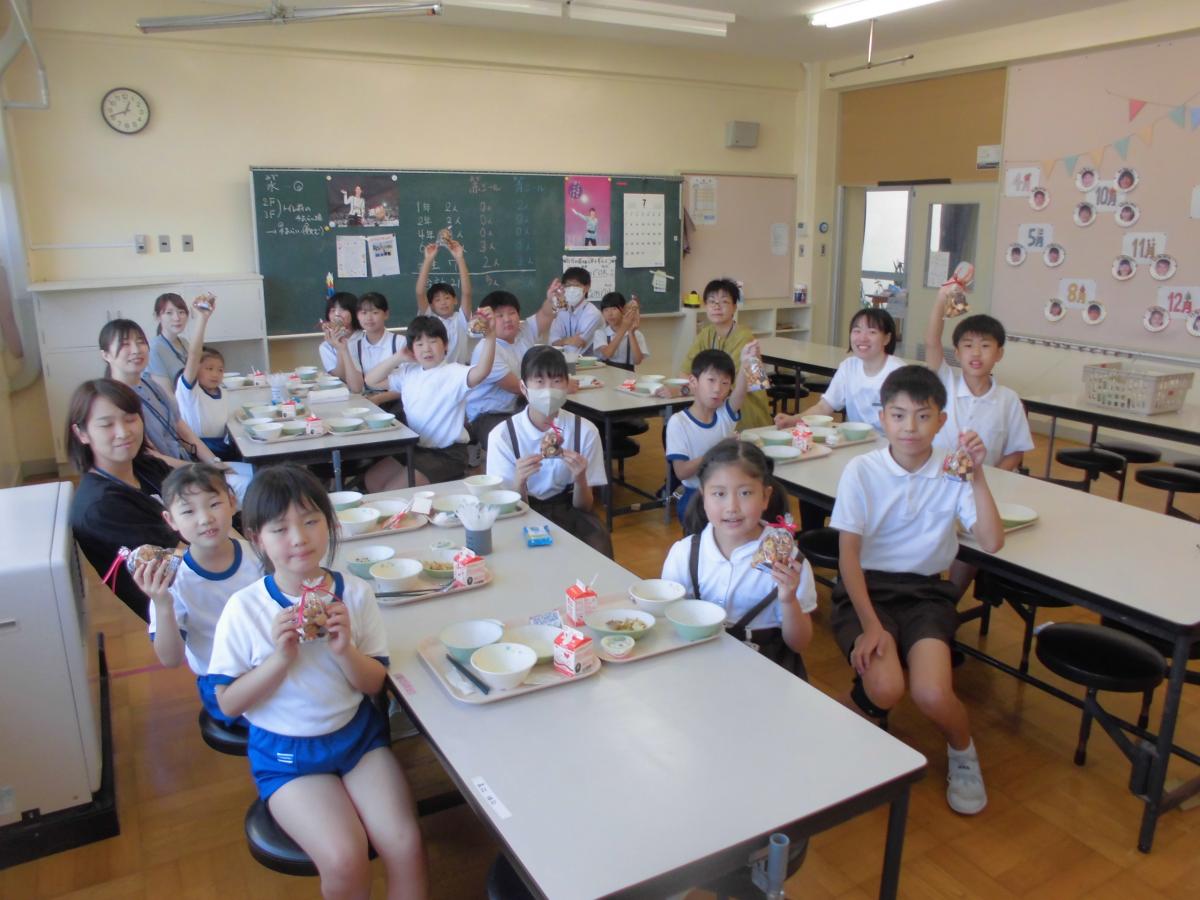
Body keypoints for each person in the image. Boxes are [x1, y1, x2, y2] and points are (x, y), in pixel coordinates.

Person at [208, 466, 427, 897]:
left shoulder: (356, 593)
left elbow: (373, 683)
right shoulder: (244, 608)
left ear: (330, 523)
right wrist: (279, 659)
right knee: (345, 857)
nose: (299, 538)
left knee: (406, 844)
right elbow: (228, 704)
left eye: (311, 521)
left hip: (356, 740)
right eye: (279, 529)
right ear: (256, 538)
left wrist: (345, 651)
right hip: (286, 754)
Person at [830, 365, 1003, 815]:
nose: (910, 427)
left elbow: (991, 542)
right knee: (887, 686)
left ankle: (963, 753)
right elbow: (848, 557)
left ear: (941, 421)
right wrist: (871, 625)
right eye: (899, 415)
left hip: (926, 594)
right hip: (867, 588)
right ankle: (846, 719)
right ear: (882, 418)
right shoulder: (862, 470)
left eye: (923, 416)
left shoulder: (952, 469)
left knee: (931, 693)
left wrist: (977, 475)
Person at [661, 438, 815, 677]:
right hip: (699, 669)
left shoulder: (789, 561)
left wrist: (788, 600)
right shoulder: (685, 553)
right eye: (719, 493)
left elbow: (799, 644)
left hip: (765, 673)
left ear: (765, 497)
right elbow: (667, 624)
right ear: (703, 497)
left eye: (745, 493)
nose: (732, 506)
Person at [132, 463, 262, 726]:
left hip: (268, 665)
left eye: (214, 504)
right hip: (222, 683)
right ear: (171, 520)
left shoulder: (259, 556)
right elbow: (170, 659)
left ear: (232, 502)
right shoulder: (173, 580)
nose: (205, 519)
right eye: (188, 511)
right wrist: (162, 604)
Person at [99, 318, 253, 502]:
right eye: (125, 344)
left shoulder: (151, 386)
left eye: (140, 342)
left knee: (257, 472)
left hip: (188, 464)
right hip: (167, 478)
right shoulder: (114, 400)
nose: (136, 350)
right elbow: (149, 456)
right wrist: (200, 469)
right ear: (106, 355)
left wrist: (214, 462)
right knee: (252, 486)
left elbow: (181, 427)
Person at [66, 378, 178, 622]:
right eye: (107, 424)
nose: (123, 432)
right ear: (81, 433)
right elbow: (176, 563)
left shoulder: (147, 467)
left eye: (130, 419)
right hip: (182, 611)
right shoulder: (100, 507)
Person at [486, 346, 612, 557]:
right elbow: (508, 506)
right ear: (524, 388)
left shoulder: (585, 431)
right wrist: (520, 482)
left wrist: (580, 477)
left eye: (556, 381)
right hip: (522, 511)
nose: (548, 390)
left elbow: (585, 506)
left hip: (569, 509)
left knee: (598, 547)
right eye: (539, 381)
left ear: (567, 384)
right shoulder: (503, 435)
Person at [364, 314, 497, 489]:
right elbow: (371, 380)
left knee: (393, 490)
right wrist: (398, 357)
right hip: (416, 448)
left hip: (447, 454)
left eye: (433, 341)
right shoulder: (408, 372)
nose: (426, 349)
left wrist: (490, 336)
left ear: (446, 345)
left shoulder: (454, 372)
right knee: (372, 480)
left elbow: (482, 371)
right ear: (411, 349)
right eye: (419, 344)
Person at [777, 308, 903, 437]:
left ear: (887, 338)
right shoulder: (848, 367)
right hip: (857, 440)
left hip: (890, 443)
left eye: (872, 332)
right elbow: (824, 407)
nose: (862, 338)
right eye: (857, 331)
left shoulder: (898, 373)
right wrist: (793, 420)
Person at [670, 278, 771, 430]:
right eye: (712, 301)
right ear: (705, 306)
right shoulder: (706, 334)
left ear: (734, 307)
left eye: (724, 301)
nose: (717, 306)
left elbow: (730, 387)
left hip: (746, 410)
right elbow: (685, 372)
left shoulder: (745, 337)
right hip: (716, 404)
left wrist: (683, 390)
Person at [665, 347, 752, 524]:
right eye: (711, 380)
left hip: (726, 493)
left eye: (725, 383)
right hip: (695, 496)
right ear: (693, 381)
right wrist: (718, 451)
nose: (717, 389)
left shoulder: (724, 415)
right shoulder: (679, 422)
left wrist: (746, 363)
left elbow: (741, 391)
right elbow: (681, 472)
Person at [174, 295, 238, 461]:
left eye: (220, 370)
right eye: (209, 369)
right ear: (196, 369)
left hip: (223, 448)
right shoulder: (190, 392)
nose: (215, 374)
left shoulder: (222, 392)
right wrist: (202, 319)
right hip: (199, 453)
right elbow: (194, 355)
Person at [339, 292, 403, 416]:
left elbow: (410, 385)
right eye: (363, 313)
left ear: (386, 314)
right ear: (357, 316)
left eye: (375, 312)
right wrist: (344, 350)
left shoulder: (400, 343)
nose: (369, 318)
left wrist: (378, 399)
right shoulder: (354, 345)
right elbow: (356, 388)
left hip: (396, 402)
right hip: (366, 401)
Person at [416, 238, 474, 365]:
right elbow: (420, 293)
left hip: (460, 371)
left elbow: (467, 293)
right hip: (436, 371)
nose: (443, 302)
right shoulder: (429, 320)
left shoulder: (461, 319)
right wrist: (428, 260)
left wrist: (459, 258)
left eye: (447, 298)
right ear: (431, 305)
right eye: (437, 300)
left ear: (455, 300)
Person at [549, 266, 603, 350]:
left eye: (576, 285)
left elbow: (577, 346)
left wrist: (562, 342)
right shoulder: (562, 310)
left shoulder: (593, 314)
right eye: (568, 285)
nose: (571, 289)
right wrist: (567, 340)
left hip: (587, 358)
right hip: (563, 357)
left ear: (586, 288)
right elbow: (552, 341)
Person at [591, 292, 648, 368]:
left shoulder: (637, 334)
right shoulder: (600, 333)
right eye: (606, 310)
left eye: (614, 309)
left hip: (628, 373)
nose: (610, 314)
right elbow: (607, 354)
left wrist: (631, 333)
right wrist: (623, 328)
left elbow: (637, 361)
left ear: (623, 310)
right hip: (606, 373)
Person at [147, 292, 191, 389]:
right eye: (169, 313)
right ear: (157, 317)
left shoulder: (184, 342)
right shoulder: (153, 349)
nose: (177, 318)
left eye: (181, 312)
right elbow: (165, 393)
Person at [318, 292, 359, 379]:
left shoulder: (366, 338)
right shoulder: (326, 346)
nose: (337, 314)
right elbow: (340, 377)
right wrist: (339, 347)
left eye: (343, 309)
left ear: (354, 312)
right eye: (333, 310)